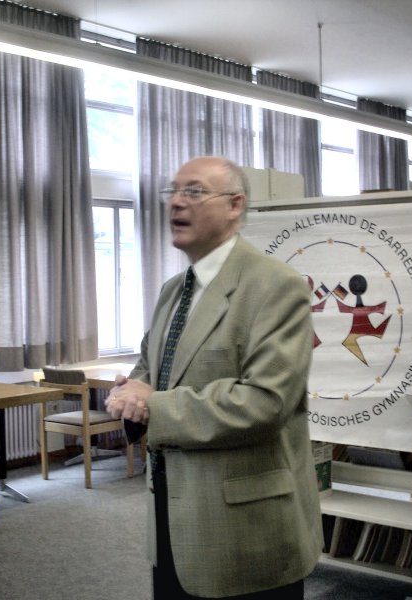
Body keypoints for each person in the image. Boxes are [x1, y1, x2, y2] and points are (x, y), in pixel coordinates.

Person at [105, 156, 323, 600]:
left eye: (195, 191)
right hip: (170, 518)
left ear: (235, 206)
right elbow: (150, 369)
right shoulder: (173, 290)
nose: (176, 203)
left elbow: (265, 402)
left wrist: (151, 404)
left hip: (246, 529)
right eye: (173, 191)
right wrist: (128, 394)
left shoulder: (275, 286)